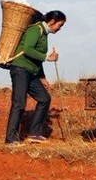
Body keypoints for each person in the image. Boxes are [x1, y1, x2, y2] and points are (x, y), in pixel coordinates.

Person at [4, 10, 66, 146]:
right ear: (52, 21)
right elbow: (28, 49)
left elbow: (36, 60)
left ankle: (34, 133)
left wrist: (42, 77)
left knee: (44, 98)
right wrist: (47, 57)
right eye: (59, 25)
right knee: (19, 103)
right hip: (20, 69)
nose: (59, 29)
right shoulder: (35, 29)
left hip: (31, 72)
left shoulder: (44, 34)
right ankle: (11, 139)